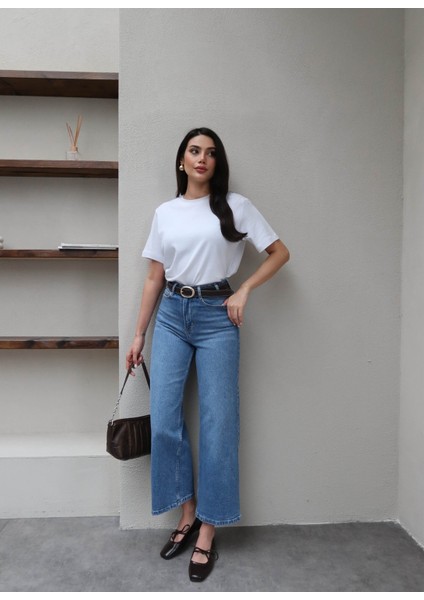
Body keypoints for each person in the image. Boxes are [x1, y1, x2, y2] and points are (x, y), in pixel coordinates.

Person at [126, 127, 290, 582]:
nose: (202, 158)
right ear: (181, 161)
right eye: (194, 151)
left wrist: (245, 290)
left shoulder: (235, 206)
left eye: (211, 152)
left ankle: (208, 531)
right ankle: (187, 513)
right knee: (164, 418)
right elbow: (154, 277)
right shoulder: (165, 213)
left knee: (218, 423)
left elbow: (280, 253)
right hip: (171, 316)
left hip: (219, 317)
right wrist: (138, 334)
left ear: (217, 162)